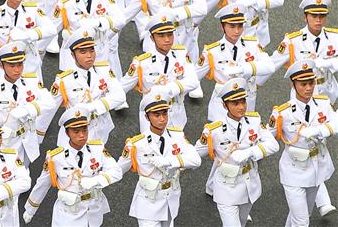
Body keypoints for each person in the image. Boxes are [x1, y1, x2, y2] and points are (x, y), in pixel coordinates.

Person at [196, 80, 279, 227]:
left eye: (243, 102)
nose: (241, 107)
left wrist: (248, 152)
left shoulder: (254, 121)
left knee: (241, 221)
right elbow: (196, 154)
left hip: (249, 185)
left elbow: (273, 145)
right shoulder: (214, 130)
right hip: (226, 188)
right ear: (225, 105)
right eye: (235, 103)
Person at [23, 106, 123, 226]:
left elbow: (117, 171)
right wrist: (30, 209)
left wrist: (96, 180)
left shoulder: (98, 149)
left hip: (93, 212)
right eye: (76, 132)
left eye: (85, 130)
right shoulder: (56, 158)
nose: (82, 135)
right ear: (67, 133)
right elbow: (43, 184)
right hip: (68, 215)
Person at [116, 96, 202, 227]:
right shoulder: (137, 144)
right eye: (156, 115)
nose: (162, 119)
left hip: (171, 198)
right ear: (147, 117)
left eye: (164, 113)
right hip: (148, 201)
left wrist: (169, 160)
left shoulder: (177, 136)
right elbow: (118, 170)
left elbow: (196, 160)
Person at [270, 61, 337, 227]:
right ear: (293, 85)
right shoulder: (282, 113)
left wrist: (319, 130)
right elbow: (266, 137)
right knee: (301, 221)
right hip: (293, 171)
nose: (309, 88)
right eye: (303, 84)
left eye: (311, 83)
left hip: (317, 168)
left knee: (302, 215)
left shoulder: (323, 103)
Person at [0, 44, 55, 168]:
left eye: (20, 65)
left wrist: (26, 109)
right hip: (5, 143)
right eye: (12, 66)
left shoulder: (32, 82)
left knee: (24, 173)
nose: (17, 70)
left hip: (27, 141)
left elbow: (50, 103)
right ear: (1, 65)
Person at [47, 29, 127, 146]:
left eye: (92, 50)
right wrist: (38, 134)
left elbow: (120, 96)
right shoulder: (64, 80)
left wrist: (90, 107)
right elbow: (49, 107)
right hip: (75, 132)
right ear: (73, 55)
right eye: (83, 52)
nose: (89, 56)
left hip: (101, 127)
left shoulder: (104, 70)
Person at [121, 16, 200, 132]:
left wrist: (166, 90)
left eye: (170, 34)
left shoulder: (181, 54)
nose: (167, 39)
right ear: (152, 38)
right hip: (152, 117)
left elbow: (193, 82)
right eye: (161, 36)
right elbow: (122, 88)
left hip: (176, 115)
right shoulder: (142, 63)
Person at [197, 7, 274, 122]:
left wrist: (242, 69)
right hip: (222, 103)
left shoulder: (252, 44)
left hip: (245, 101)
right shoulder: (212, 51)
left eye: (240, 26)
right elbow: (194, 76)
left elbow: (270, 67)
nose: (237, 31)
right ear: (222, 27)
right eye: (232, 26)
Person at [271, 0, 338, 102]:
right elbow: (271, 64)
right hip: (302, 95)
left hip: (329, 93)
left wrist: (329, 62)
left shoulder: (334, 37)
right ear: (305, 17)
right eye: (314, 16)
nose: (318, 20)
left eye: (322, 16)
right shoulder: (293, 41)